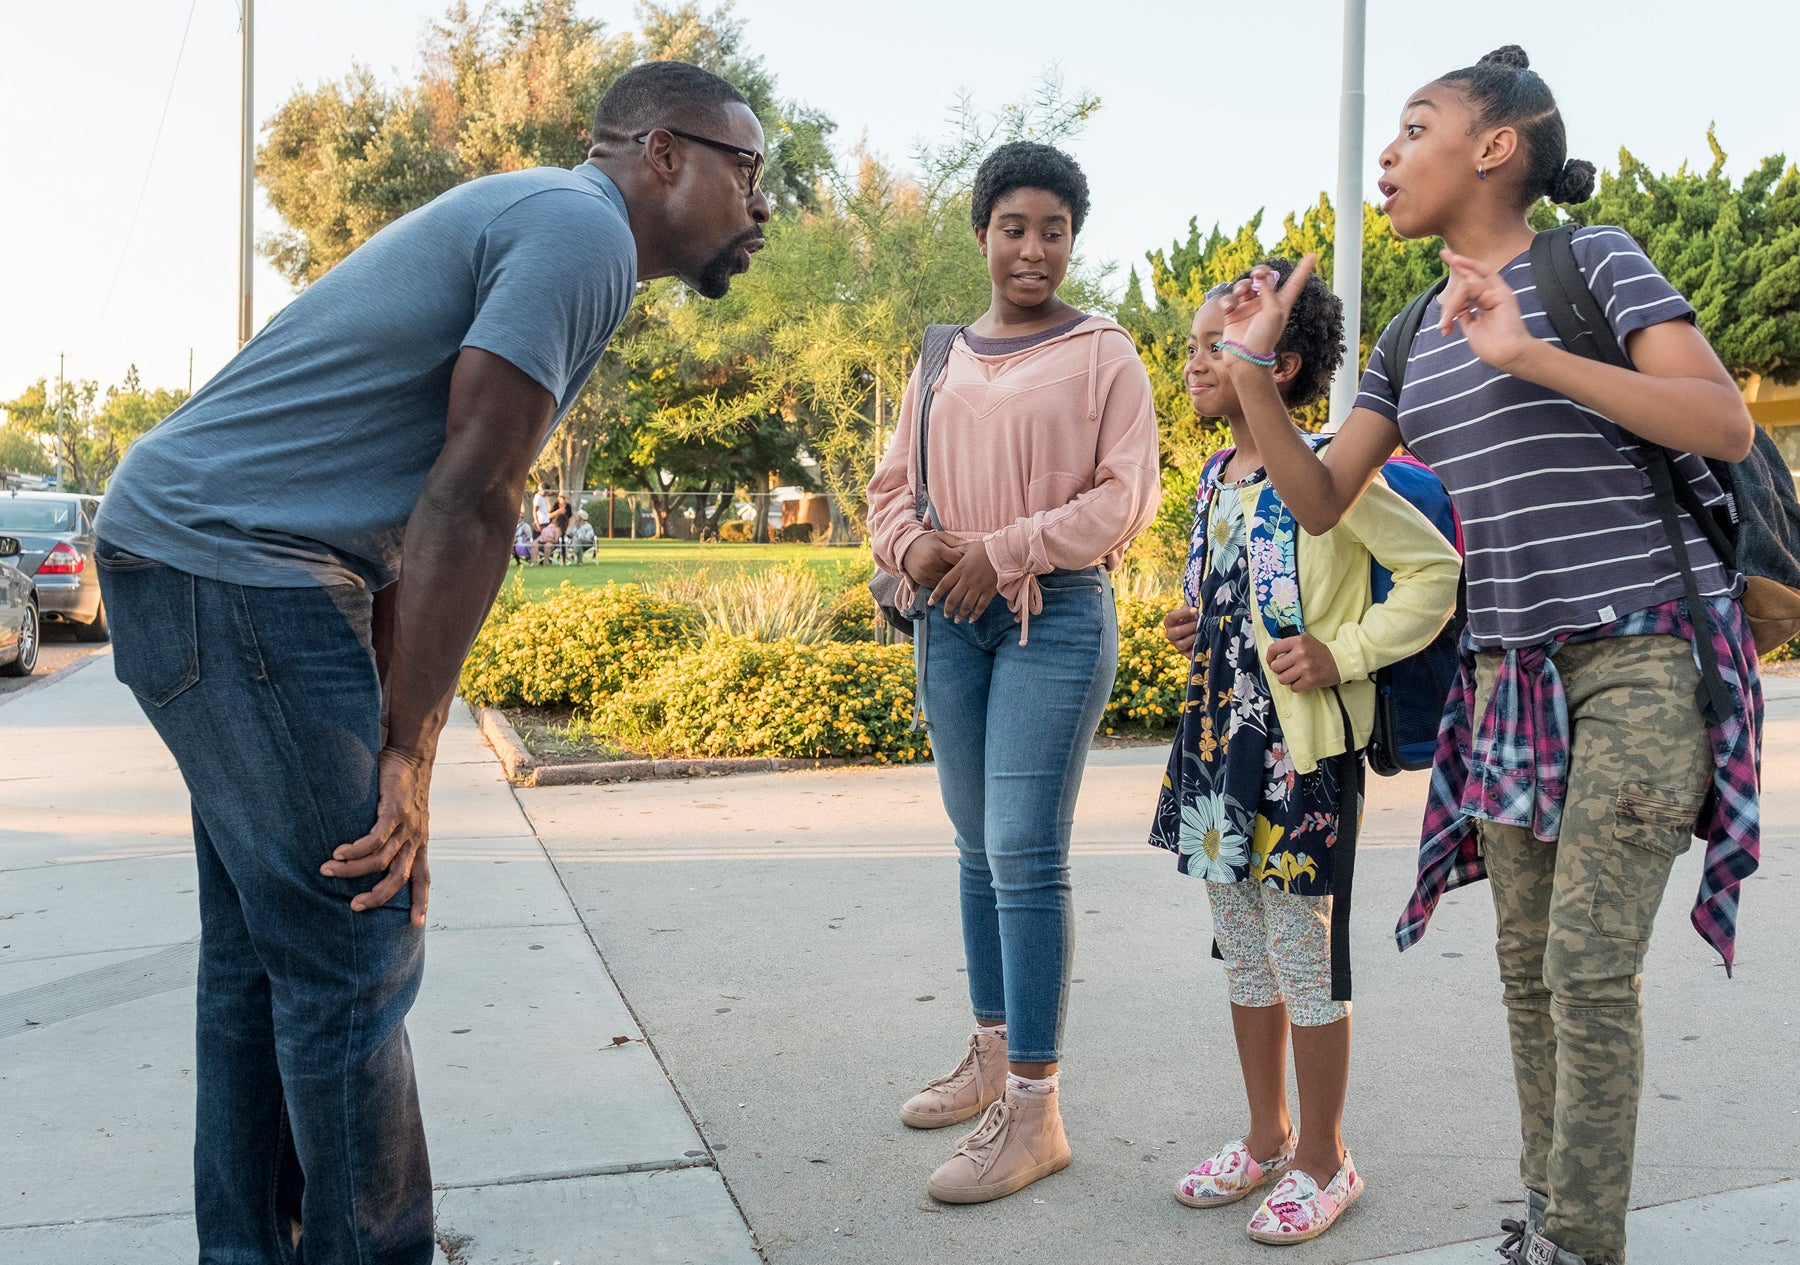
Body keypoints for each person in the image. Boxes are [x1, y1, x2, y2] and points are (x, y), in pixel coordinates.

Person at [92, 59, 771, 1264]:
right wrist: (404, 748)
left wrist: (406, 737)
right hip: (239, 570)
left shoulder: (543, 219)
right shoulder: (581, 232)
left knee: (269, 953)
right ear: (663, 153)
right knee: (357, 942)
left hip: (203, 559)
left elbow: (417, 517)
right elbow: (476, 493)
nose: (761, 205)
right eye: (748, 169)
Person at [1216, 47, 1761, 1265]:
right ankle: (1550, 1221)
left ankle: (1581, 1243)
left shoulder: (1593, 262)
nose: (1389, 155)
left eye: (1416, 128)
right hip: (1507, 678)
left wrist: (1531, 354)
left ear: (1497, 147)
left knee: (1584, 966)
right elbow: (1317, 497)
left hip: (1639, 660)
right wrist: (1254, 376)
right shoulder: (1412, 331)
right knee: (1526, 968)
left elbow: (1721, 420)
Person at [867, 141, 1161, 1205]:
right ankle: (992, 1055)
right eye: (1014, 227)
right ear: (982, 232)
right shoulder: (941, 353)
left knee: (1024, 851)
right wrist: (922, 552)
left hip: (1055, 617)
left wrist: (1007, 548)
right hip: (952, 619)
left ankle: (1035, 1108)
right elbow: (890, 488)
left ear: (1072, 241)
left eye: (1054, 230)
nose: (1033, 248)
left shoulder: (1104, 354)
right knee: (973, 847)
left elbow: (1125, 500)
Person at [1152, 260, 1460, 1244]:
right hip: (1214, 739)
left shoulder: (1330, 464)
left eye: (1213, 347)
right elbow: (1245, 587)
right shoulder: (1217, 473)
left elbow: (1434, 570)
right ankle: (1266, 1134)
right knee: (1242, 948)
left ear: (1275, 364)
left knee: (1303, 952)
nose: (1193, 363)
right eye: (1198, 345)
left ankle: (1329, 1159)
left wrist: (1348, 651)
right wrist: (1199, 619)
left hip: (1299, 747)